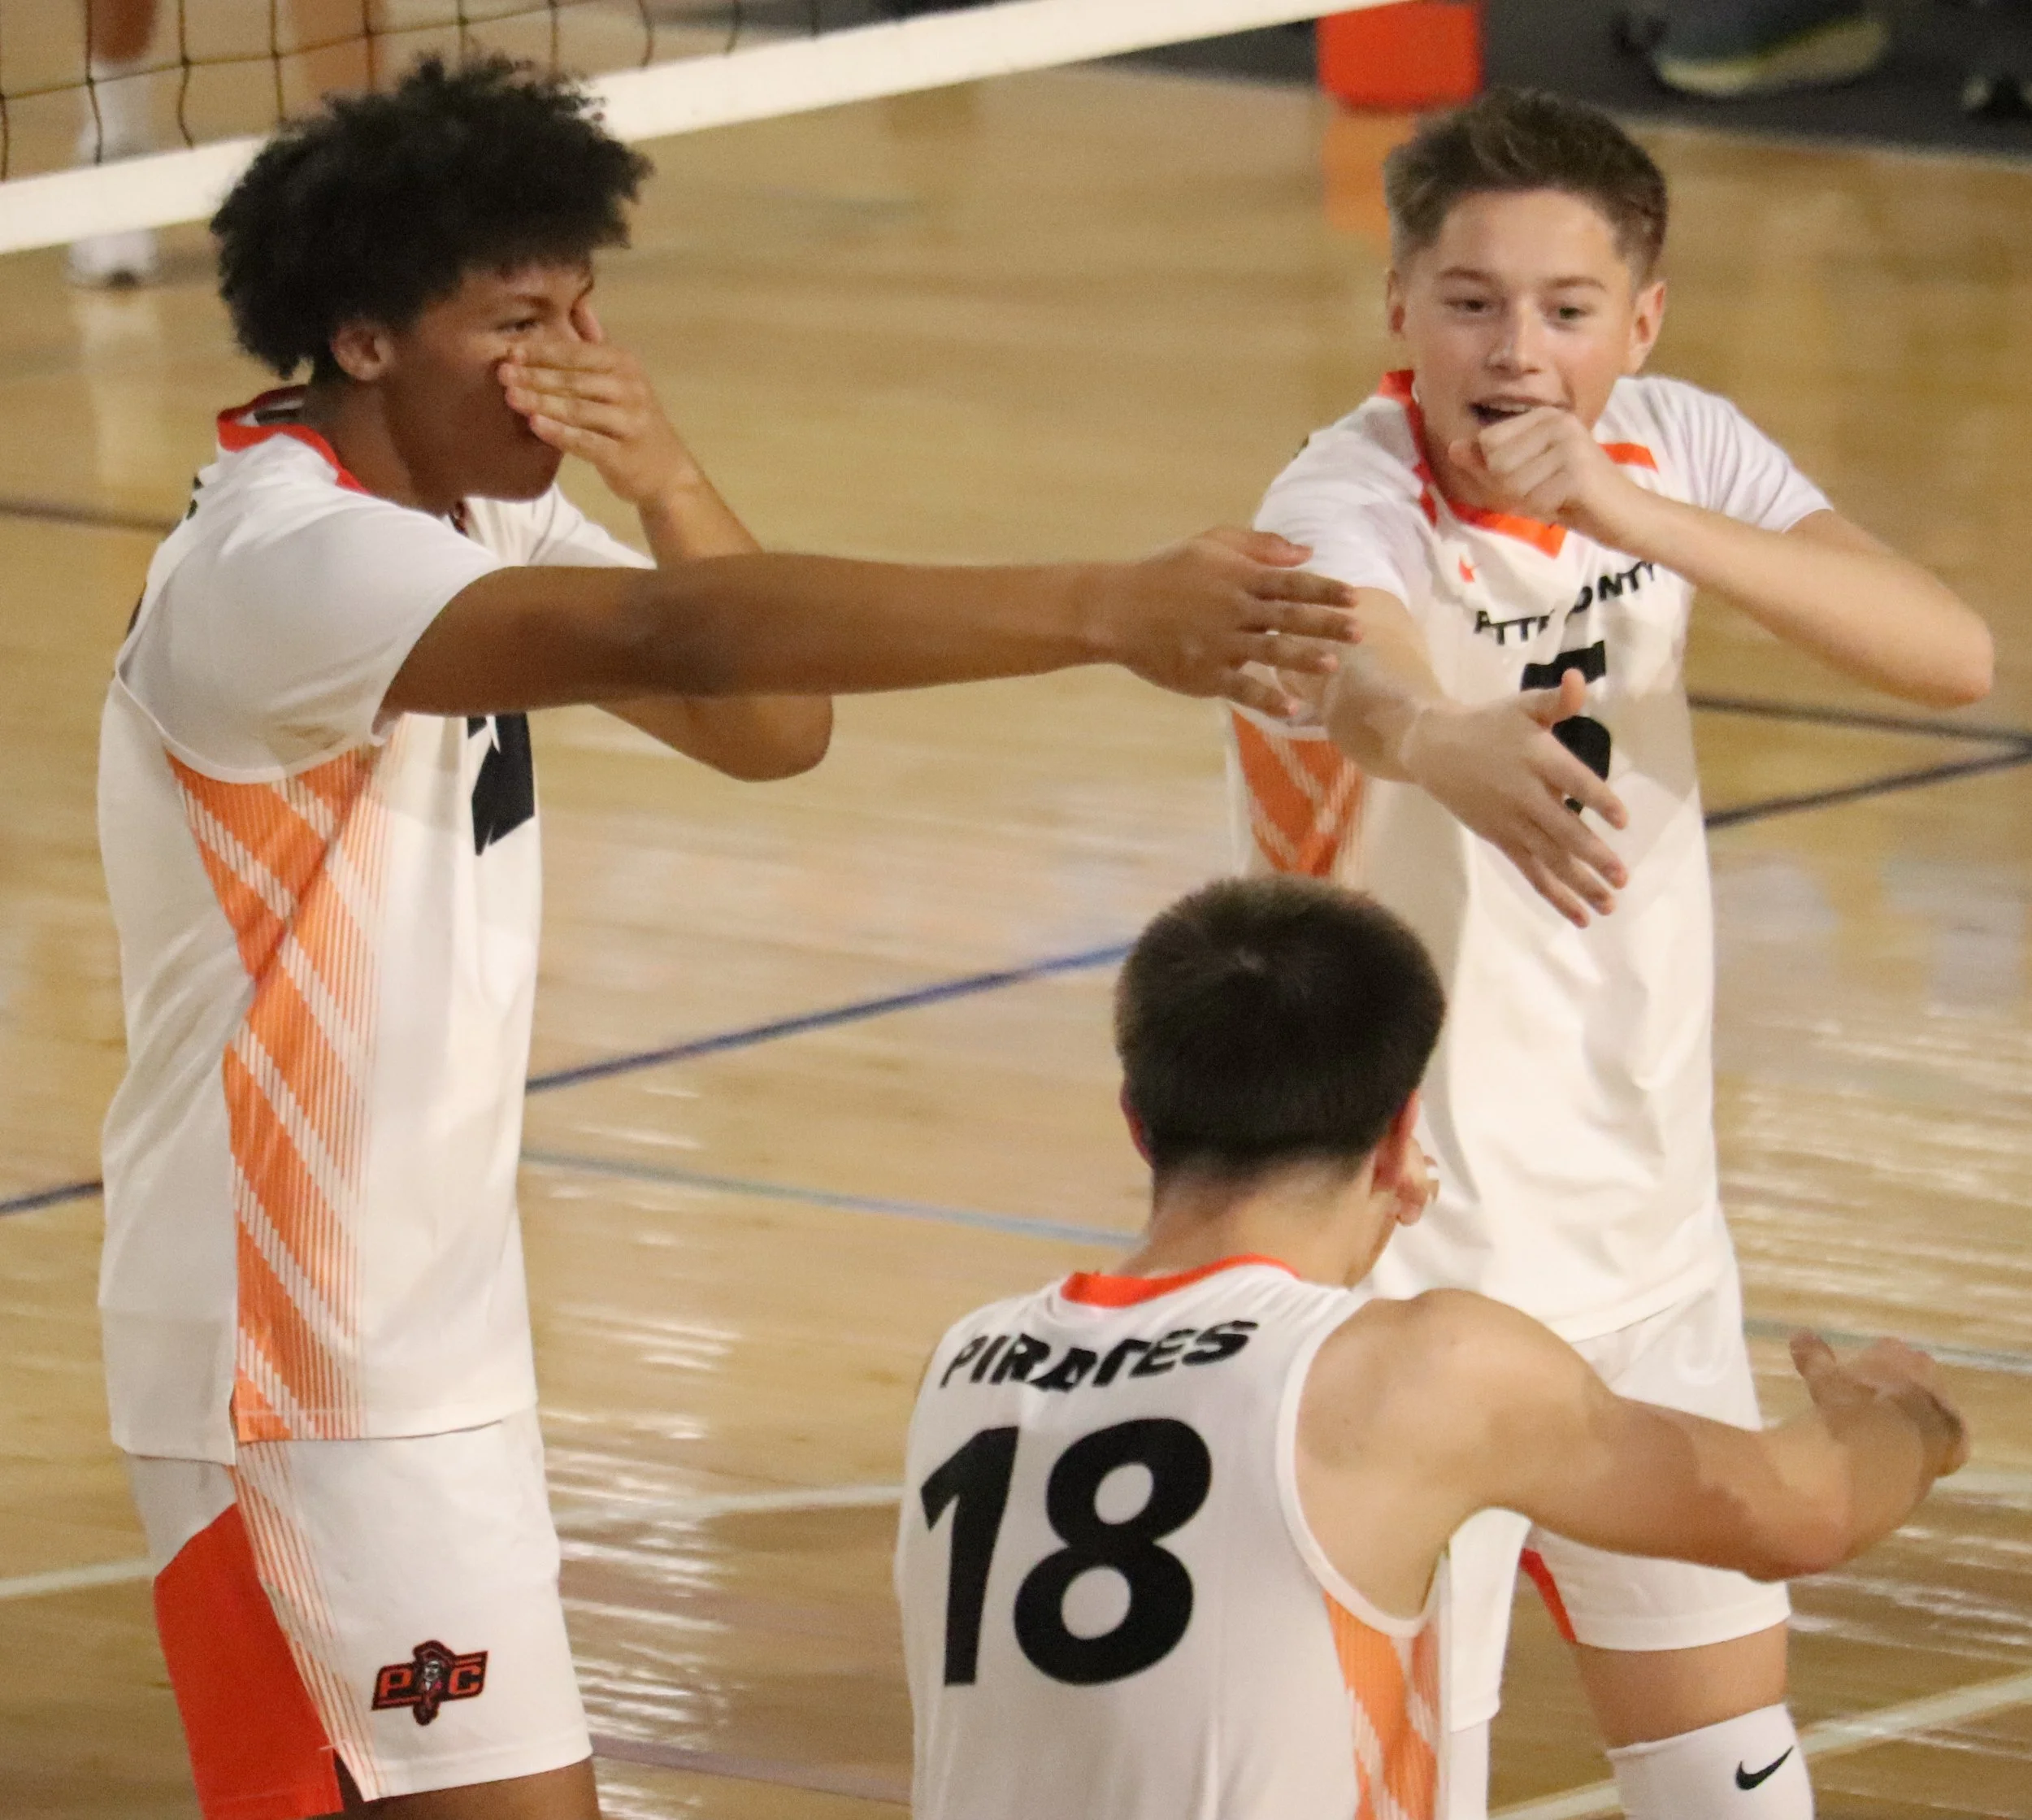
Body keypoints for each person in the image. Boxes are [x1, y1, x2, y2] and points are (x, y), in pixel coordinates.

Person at [98, 55, 1357, 1820]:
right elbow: (676, 641)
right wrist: (1100, 606)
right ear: (364, 339)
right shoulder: (283, 567)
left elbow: (771, 727)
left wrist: (665, 468)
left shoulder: (464, 514)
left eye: (582, 311)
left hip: (412, 1337)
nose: (568, 362)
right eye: (516, 321)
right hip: (293, 1362)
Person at [1225, 86, 1991, 1820]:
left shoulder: (1679, 446)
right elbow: (1361, 674)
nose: (1517, 351)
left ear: (1639, 324)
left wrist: (1628, 513)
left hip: (1646, 1241)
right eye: (1470, 302)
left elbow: (1947, 656)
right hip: (1404, 1274)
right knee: (1410, 1782)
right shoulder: (1340, 495)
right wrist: (1440, 744)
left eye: (1566, 310)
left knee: (1722, 1760)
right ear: (1398, 310)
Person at [895, 875, 1967, 1820]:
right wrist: (1902, 1418)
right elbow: (1806, 1509)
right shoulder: (1416, 1375)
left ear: (1138, 1120)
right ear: (1405, 1134)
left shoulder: (965, 1363)